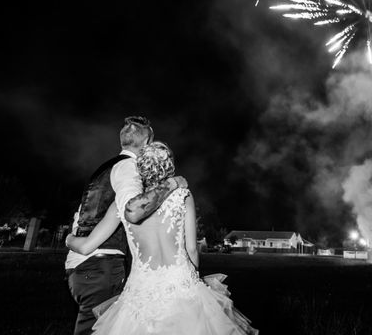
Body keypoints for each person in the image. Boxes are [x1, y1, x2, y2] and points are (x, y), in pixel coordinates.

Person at [66, 141, 257, 334]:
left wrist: (69, 240)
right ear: (169, 167)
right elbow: (191, 248)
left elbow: (86, 247)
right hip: (181, 287)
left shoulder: (123, 205)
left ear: (141, 169)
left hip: (140, 294)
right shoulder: (183, 196)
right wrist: (194, 282)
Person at [65, 116, 186, 335]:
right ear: (148, 143)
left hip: (82, 264)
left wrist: (70, 239)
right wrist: (172, 183)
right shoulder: (128, 167)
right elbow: (133, 210)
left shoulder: (104, 168)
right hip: (100, 269)